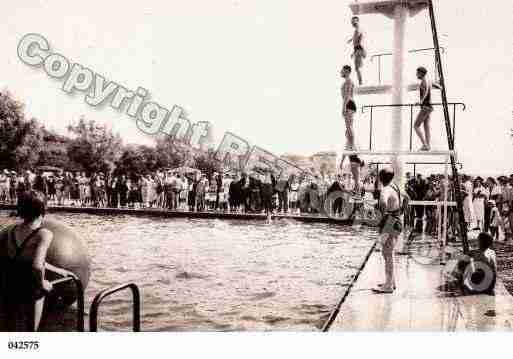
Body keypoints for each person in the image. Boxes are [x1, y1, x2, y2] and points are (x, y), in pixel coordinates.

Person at [0, 191, 54, 331]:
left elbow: (21, 257)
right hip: (29, 287)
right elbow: (36, 266)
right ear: (43, 211)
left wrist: (59, 270)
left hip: (9, 283)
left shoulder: (10, 230)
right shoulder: (44, 234)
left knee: (10, 327)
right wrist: (43, 284)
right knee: (31, 330)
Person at [373, 168, 404, 294]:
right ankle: (391, 281)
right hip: (396, 220)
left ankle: (388, 285)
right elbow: (406, 199)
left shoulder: (385, 190)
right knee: (387, 253)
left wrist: (381, 212)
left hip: (389, 222)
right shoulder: (395, 187)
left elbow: (383, 203)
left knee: (387, 253)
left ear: (380, 178)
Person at [414, 67, 441, 151]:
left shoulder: (423, 82)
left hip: (425, 107)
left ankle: (425, 145)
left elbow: (425, 92)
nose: (416, 74)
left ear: (421, 73)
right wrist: (439, 86)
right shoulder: (428, 80)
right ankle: (428, 145)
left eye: (417, 73)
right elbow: (433, 84)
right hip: (429, 107)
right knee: (426, 126)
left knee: (416, 126)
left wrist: (420, 101)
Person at [341, 65, 357, 151]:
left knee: (349, 126)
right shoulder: (349, 81)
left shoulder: (348, 81)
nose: (341, 72)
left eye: (342, 71)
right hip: (350, 104)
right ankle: (350, 144)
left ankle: (352, 145)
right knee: (348, 127)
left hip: (348, 104)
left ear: (347, 71)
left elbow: (347, 96)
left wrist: (343, 108)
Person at [347, 16, 366, 85]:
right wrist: (351, 39)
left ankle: (361, 82)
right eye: (352, 22)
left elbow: (360, 41)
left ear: (357, 21)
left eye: (354, 21)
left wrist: (363, 51)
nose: (352, 23)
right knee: (357, 68)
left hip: (359, 50)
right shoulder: (356, 30)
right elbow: (356, 38)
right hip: (357, 50)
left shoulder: (359, 29)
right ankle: (360, 82)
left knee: (358, 68)